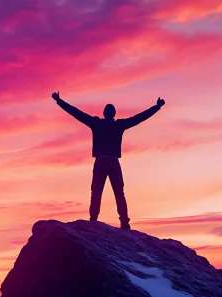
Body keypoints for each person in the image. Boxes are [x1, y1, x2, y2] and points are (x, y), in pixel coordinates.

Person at [52, 91, 165, 229]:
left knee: (97, 192)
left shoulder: (96, 123)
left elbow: (77, 113)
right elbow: (139, 118)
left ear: (104, 113)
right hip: (112, 162)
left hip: (101, 162)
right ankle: (124, 222)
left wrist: (59, 101)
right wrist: (156, 107)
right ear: (113, 114)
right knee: (118, 193)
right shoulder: (118, 125)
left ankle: (94, 220)